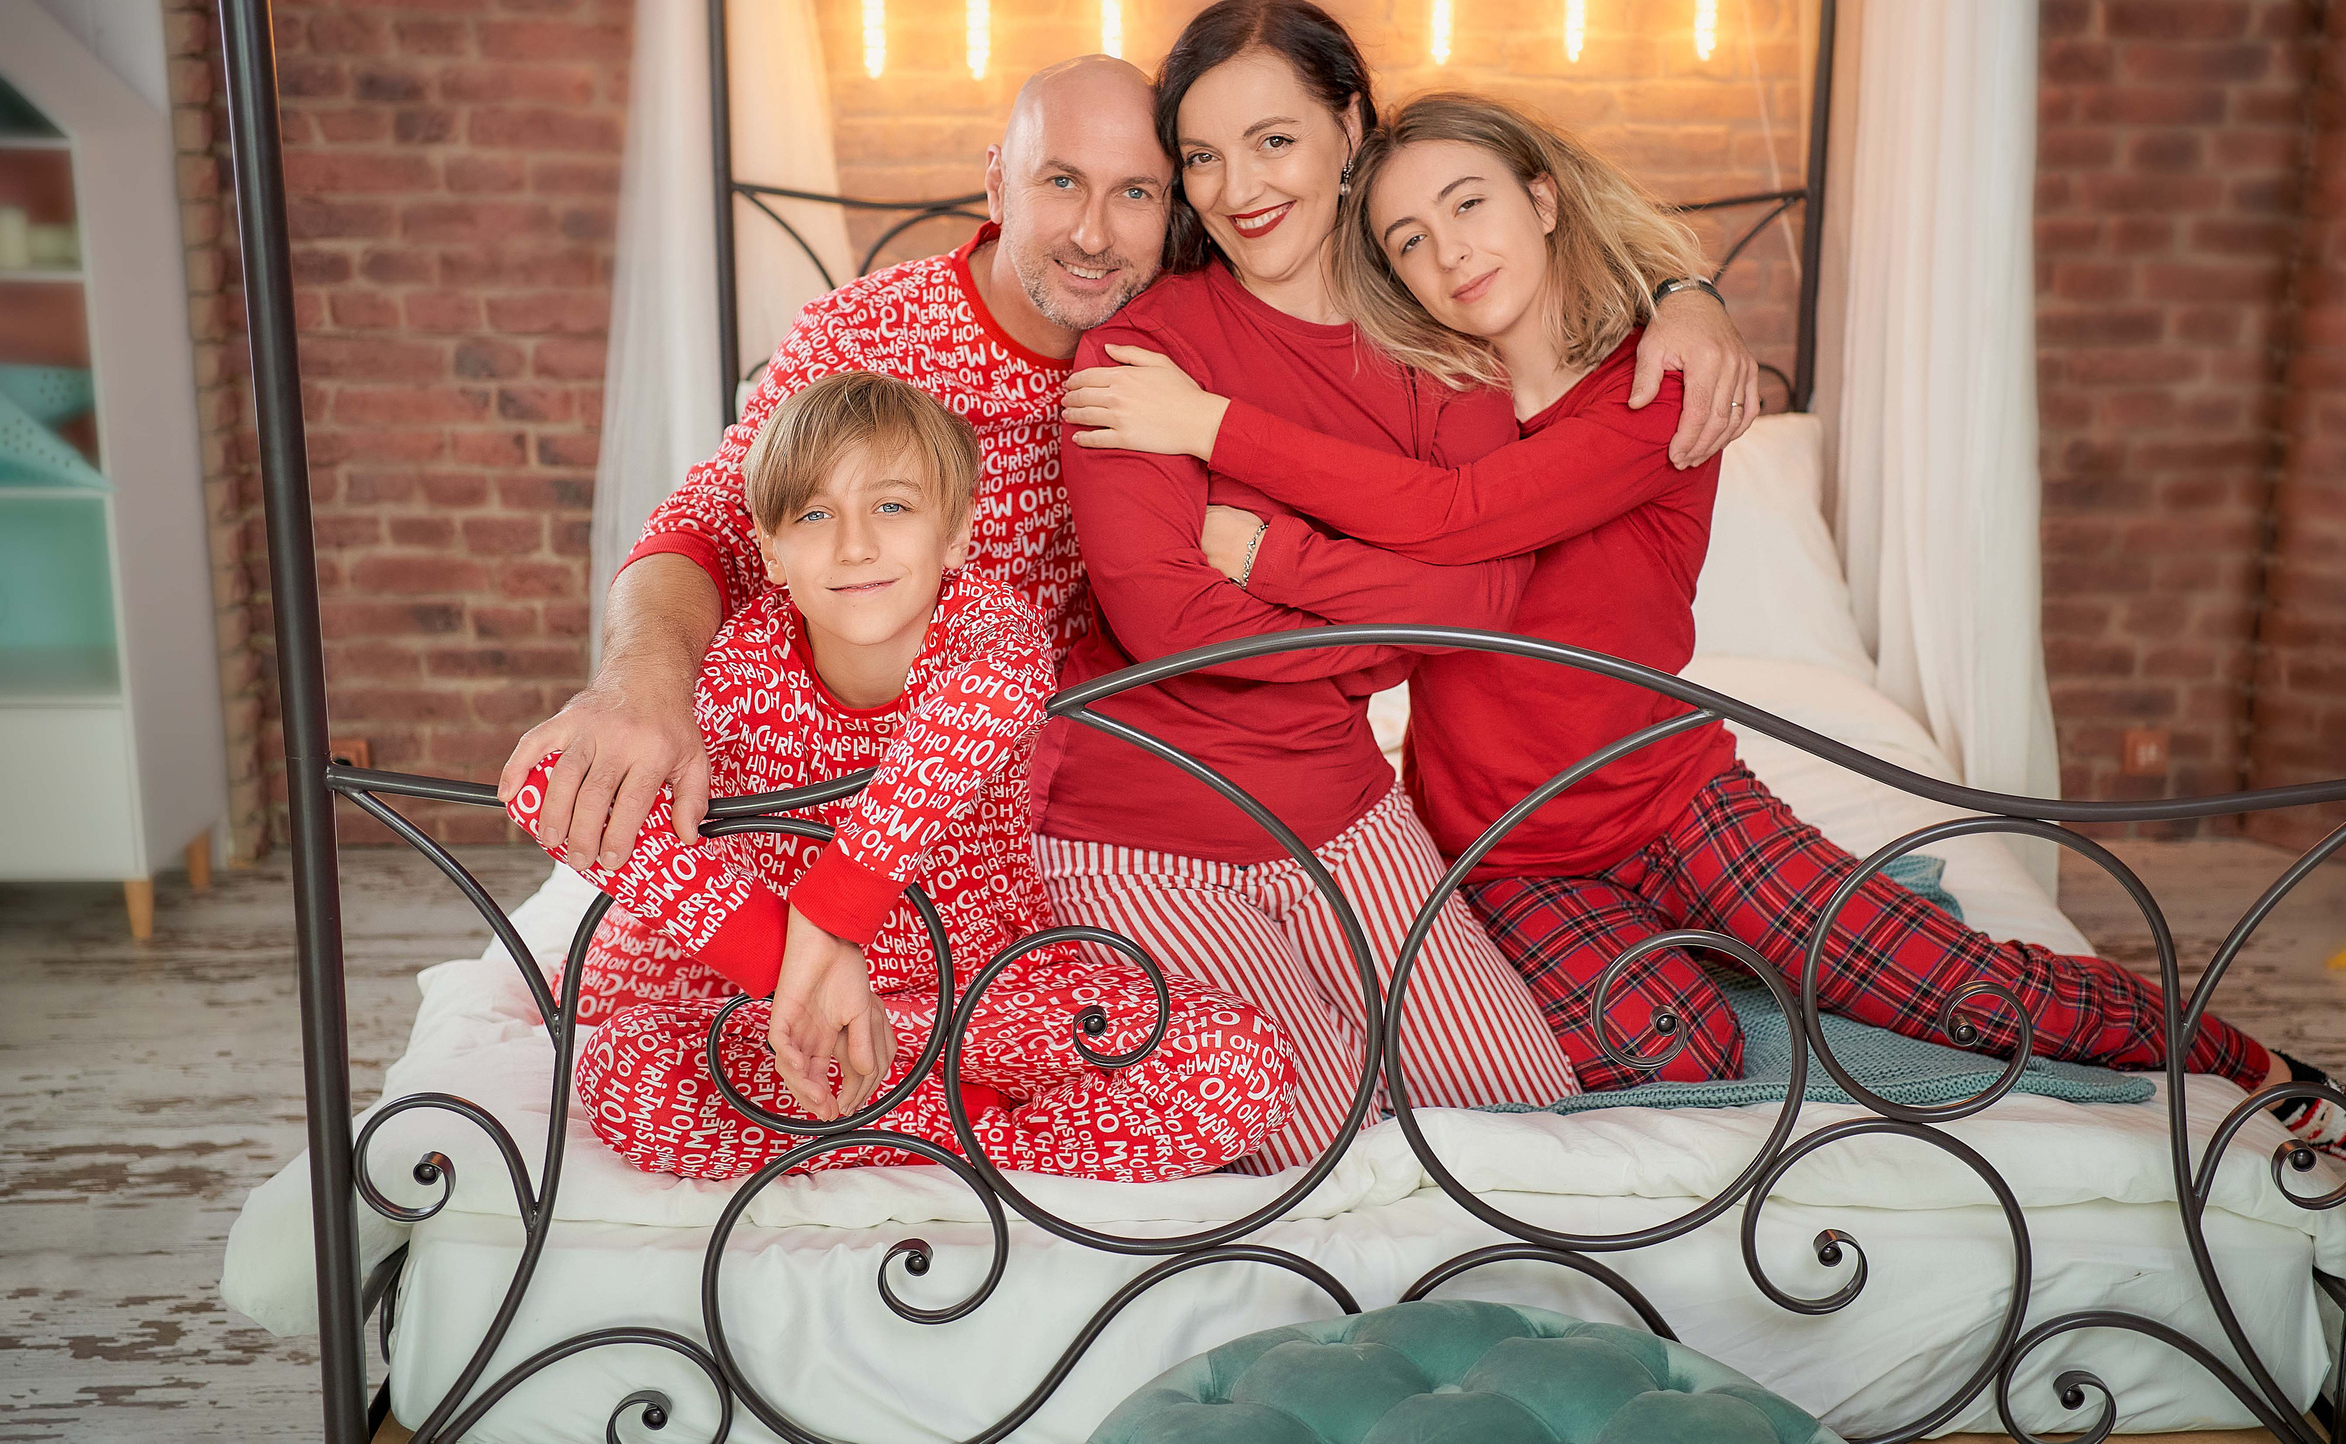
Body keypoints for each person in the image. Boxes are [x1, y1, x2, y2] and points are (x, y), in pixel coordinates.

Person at [1059, 89, 2346, 1218]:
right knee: (1675, 1053)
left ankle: (2275, 1075)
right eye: (1409, 241)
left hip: (1669, 790)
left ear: (1544, 198)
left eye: (1469, 205)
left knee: (1970, 991)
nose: (1447, 255)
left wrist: (1227, 463)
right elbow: (1425, 578)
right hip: (1502, 846)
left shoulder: (1661, 380)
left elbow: (1461, 537)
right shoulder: (1430, 385)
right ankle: (1778, 984)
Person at [503, 54, 1756, 883]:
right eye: (1060, 183)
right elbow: (708, 524)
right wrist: (639, 688)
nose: (1098, 231)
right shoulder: (873, 337)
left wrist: (1680, 289)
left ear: (1182, 211)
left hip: (1044, 808)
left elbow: (1470, 224)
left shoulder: (1207, 327)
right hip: (838, 777)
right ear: (995, 181)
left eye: (1142, 192)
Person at [1030, 0, 1580, 1172]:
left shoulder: (1443, 348)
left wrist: (1284, 572)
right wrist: (1392, 629)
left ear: (1349, 130)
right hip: (1136, 815)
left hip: (1336, 802)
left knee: (1525, 1127)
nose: (1237, 189)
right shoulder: (1140, 350)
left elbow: (1489, 610)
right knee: (1327, 1135)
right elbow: (1171, 627)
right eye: (1201, 157)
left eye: (1273, 140)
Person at [506, 371, 1294, 1181]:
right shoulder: (734, 670)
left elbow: (979, 708)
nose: (855, 545)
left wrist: (831, 918)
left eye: (892, 506)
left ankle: (913, 1121)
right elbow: (542, 789)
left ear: (955, 535)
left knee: (1238, 1062)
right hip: (783, 1008)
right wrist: (800, 972)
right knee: (624, 1076)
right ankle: (957, 1118)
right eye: (816, 513)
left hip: (984, 993)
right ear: (770, 552)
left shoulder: (991, 627)